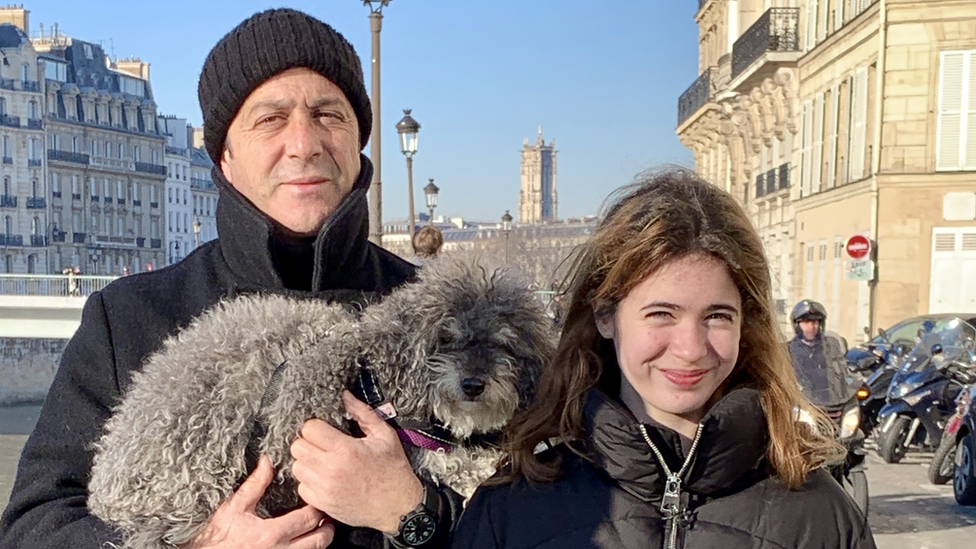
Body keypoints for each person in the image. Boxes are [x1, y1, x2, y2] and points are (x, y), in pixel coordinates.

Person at [0, 9, 458, 549]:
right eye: (271, 119)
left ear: (359, 143)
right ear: (225, 155)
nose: (304, 142)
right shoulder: (127, 320)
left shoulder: (438, 317)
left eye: (329, 115)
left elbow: (534, 513)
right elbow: (33, 525)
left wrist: (415, 512)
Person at [451, 169, 875, 548]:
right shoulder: (514, 508)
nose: (690, 348)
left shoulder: (820, 516)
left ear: (747, 324)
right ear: (604, 314)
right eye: (661, 314)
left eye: (717, 316)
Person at [788, 299, 852, 408]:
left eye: (815, 322)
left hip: (832, 405)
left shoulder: (830, 348)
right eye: (806, 322)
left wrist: (853, 383)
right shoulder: (788, 350)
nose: (812, 327)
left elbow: (844, 373)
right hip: (801, 406)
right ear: (797, 325)